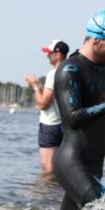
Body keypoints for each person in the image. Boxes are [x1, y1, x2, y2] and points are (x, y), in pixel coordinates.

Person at [52, 11, 105, 210]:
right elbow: (73, 118)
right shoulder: (70, 70)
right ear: (97, 40)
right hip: (71, 163)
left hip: (94, 167)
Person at [24, 39, 69, 174]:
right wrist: (41, 86)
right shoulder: (69, 71)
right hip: (65, 125)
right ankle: (54, 194)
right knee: (61, 167)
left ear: (58, 54)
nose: (47, 55)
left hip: (50, 125)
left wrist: (35, 87)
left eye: (50, 53)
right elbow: (56, 95)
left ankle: (46, 194)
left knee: (48, 169)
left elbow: (43, 104)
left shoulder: (53, 74)